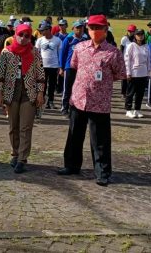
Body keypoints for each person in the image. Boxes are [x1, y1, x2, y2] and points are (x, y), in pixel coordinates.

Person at [57, 14, 126, 186]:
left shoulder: (113, 53)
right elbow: (73, 67)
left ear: (105, 30)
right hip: (78, 99)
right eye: (92, 28)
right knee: (74, 135)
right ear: (88, 29)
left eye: (98, 28)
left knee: (100, 139)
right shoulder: (79, 48)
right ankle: (71, 166)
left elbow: (119, 74)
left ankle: (102, 172)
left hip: (99, 102)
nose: (95, 31)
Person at [0, 23, 45, 173]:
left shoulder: (35, 52)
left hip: (29, 93)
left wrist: (40, 93)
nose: (23, 38)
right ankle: (15, 153)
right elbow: (0, 74)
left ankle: (23, 158)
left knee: (25, 127)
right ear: (15, 34)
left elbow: (41, 74)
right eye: (21, 35)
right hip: (11, 93)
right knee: (13, 126)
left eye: (27, 36)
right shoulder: (7, 52)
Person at [59, 19, 87, 115]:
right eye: (77, 28)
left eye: (81, 28)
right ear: (73, 29)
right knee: (67, 88)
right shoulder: (69, 40)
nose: (79, 30)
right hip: (69, 67)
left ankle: (74, 108)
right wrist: (61, 68)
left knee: (77, 89)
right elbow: (62, 54)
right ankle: (64, 108)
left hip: (80, 68)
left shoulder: (85, 41)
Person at [124, 29, 151, 118]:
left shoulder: (146, 46)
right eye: (138, 34)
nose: (140, 36)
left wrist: (148, 72)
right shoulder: (131, 45)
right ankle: (128, 110)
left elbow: (148, 60)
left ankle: (137, 109)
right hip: (134, 73)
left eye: (142, 34)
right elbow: (127, 60)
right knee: (130, 93)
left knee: (140, 93)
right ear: (135, 36)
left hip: (143, 73)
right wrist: (128, 73)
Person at [34, 21, 60, 110]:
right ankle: (42, 101)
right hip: (42, 66)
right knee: (42, 85)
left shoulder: (57, 40)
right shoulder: (39, 40)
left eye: (42, 30)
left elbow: (59, 53)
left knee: (52, 85)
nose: (41, 32)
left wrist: (60, 66)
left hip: (54, 66)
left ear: (48, 30)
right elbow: (36, 54)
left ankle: (51, 101)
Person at [119, 24, 137, 97]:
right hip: (125, 60)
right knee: (125, 77)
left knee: (132, 77)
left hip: (133, 60)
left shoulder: (136, 39)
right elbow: (121, 49)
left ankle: (130, 91)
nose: (130, 32)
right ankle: (124, 92)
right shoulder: (124, 38)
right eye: (129, 31)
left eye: (132, 31)